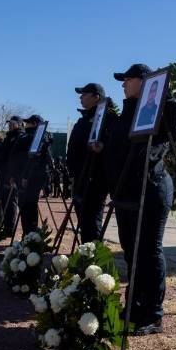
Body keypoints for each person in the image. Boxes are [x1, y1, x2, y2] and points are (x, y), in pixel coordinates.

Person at [102, 63, 176, 336]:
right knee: (131, 250)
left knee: (148, 249)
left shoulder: (164, 106)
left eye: (127, 79)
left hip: (151, 187)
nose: (123, 84)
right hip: (125, 191)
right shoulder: (127, 113)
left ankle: (153, 314)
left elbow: (158, 148)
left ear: (144, 81)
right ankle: (134, 304)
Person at [68, 83, 117, 242]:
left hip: (95, 178)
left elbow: (116, 145)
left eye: (84, 94)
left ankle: (94, 260)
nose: (81, 97)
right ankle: (85, 257)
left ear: (96, 97)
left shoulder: (108, 118)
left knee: (92, 221)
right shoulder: (84, 119)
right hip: (79, 177)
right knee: (83, 221)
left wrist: (103, 147)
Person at [17, 115, 53, 235]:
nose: (26, 125)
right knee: (26, 206)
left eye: (29, 123)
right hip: (29, 175)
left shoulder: (36, 137)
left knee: (29, 206)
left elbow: (33, 159)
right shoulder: (32, 136)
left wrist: (26, 176)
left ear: (35, 124)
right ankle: (28, 234)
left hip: (32, 176)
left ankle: (29, 234)